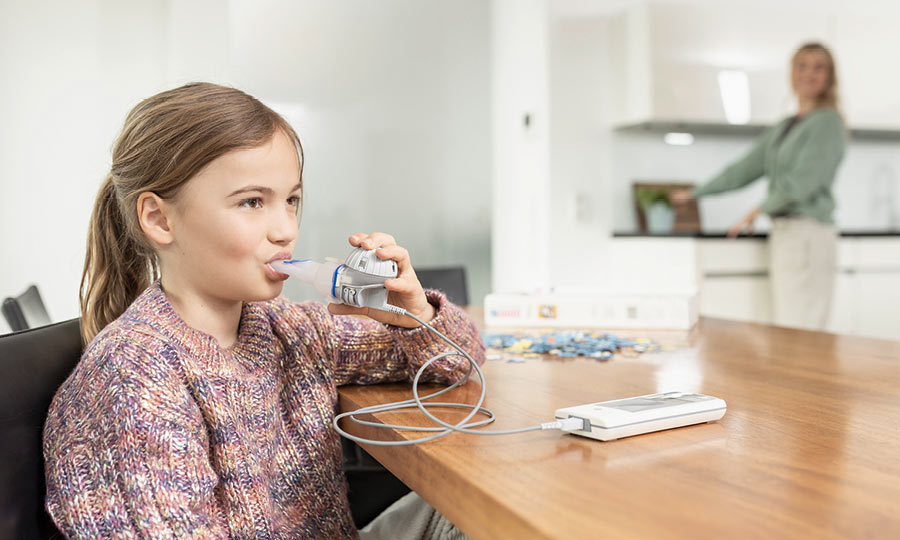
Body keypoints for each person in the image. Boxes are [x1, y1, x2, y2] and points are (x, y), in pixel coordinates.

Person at [42, 82, 484, 539]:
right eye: (252, 202)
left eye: (290, 200)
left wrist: (412, 315)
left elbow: (456, 361)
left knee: (475, 507)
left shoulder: (287, 328)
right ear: (158, 219)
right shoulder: (135, 373)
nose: (285, 230)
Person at [671, 42, 847, 330]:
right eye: (802, 65)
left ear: (830, 77)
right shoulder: (785, 126)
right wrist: (695, 193)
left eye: (819, 67)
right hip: (786, 234)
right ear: (791, 73)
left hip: (809, 234)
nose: (809, 74)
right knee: (788, 328)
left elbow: (801, 183)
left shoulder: (828, 123)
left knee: (803, 330)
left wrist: (756, 211)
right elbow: (744, 169)